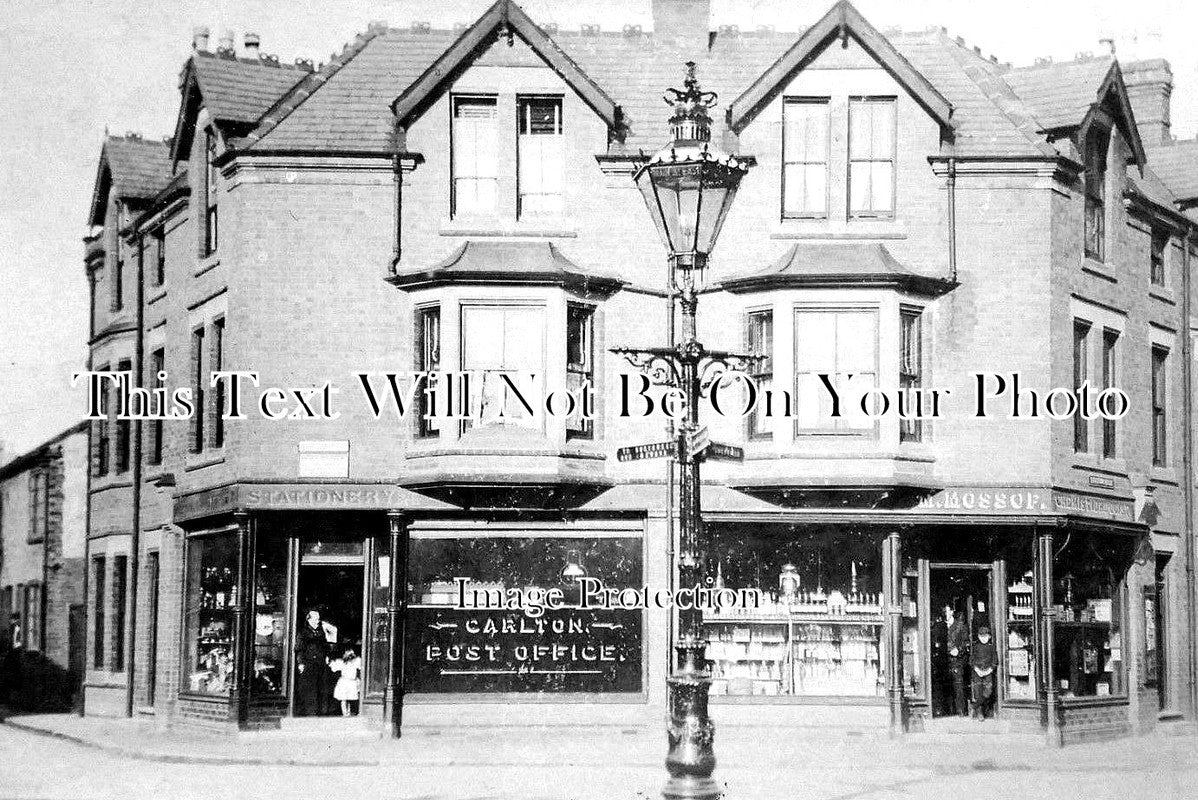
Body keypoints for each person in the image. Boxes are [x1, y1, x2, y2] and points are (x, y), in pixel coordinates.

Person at [295, 609, 332, 716]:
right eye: (315, 619)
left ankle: (321, 711)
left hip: (320, 663)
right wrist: (300, 663)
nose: (317, 621)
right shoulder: (303, 632)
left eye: (318, 619)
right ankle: (310, 712)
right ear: (309, 620)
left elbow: (325, 646)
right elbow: (299, 649)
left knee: (321, 687)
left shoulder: (321, 632)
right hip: (308, 664)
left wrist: (327, 656)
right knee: (309, 688)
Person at [970, 625, 998, 720]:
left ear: (989, 636)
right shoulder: (976, 646)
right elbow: (971, 660)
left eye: (985, 636)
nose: (983, 638)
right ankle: (980, 713)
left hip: (988, 672)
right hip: (977, 672)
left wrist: (990, 670)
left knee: (988, 691)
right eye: (981, 636)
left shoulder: (991, 647)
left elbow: (995, 660)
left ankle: (974, 706)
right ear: (978, 636)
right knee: (978, 692)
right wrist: (977, 669)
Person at [946, 610, 970, 717]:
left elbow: (966, 642)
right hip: (943, 659)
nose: (945, 613)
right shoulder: (939, 625)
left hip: (957, 660)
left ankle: (961, 710)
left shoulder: (960, 625)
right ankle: (947, 710)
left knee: (958, 685)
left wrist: (959, 650)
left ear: (951, 611)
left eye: (947, 610)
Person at [330, 647, 363, 717]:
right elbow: (334, 668)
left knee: (349, 698)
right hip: (345, 682)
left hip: (351, 682)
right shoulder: (342, 662)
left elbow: (361, 666)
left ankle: (349, 711)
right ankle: (345, 712)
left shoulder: (355, 662)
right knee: (344, 698)